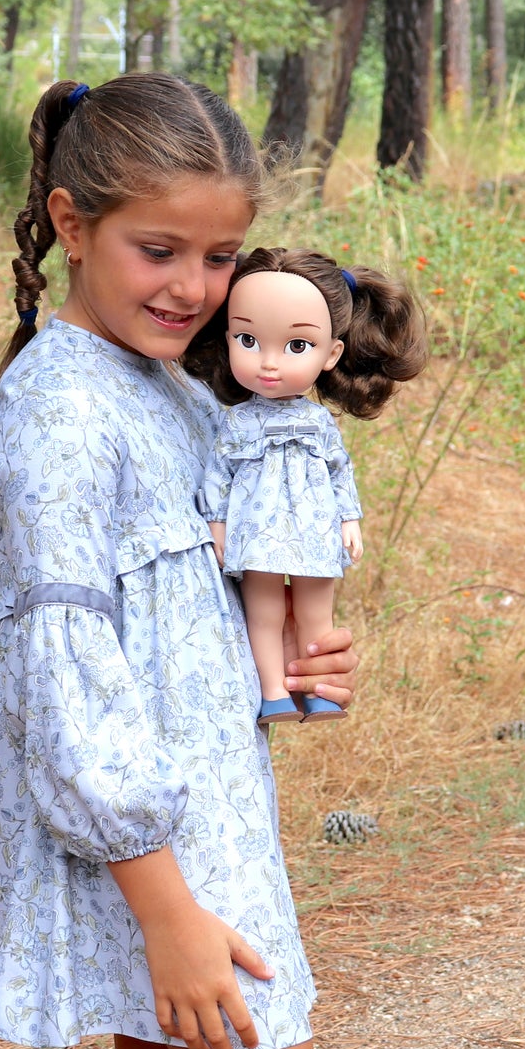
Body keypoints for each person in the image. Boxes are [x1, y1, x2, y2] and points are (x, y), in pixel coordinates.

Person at [0, 74, 359, 1049]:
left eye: (219, 254)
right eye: (157, 249)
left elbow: (191, 608)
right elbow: (63, 675)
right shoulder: (61, 413)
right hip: (162, 854)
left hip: (198, 816)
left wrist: (292, 643)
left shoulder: (172, 389)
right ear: (72, 225)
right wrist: (168, 910)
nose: (191, 287)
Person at [188, 248, 427, 725]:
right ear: (228, 338)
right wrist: (217, 524)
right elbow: (218, 473)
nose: (269, 363)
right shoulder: (236, 423)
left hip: (314, 528)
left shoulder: (319, 423)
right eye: (248, 339)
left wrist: (350, 519)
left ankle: (317, 690)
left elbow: (341, 470)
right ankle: (273, 692)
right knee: (266, 612)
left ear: (330, 354)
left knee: (317, 613)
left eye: (296, 346)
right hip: (256, 530)